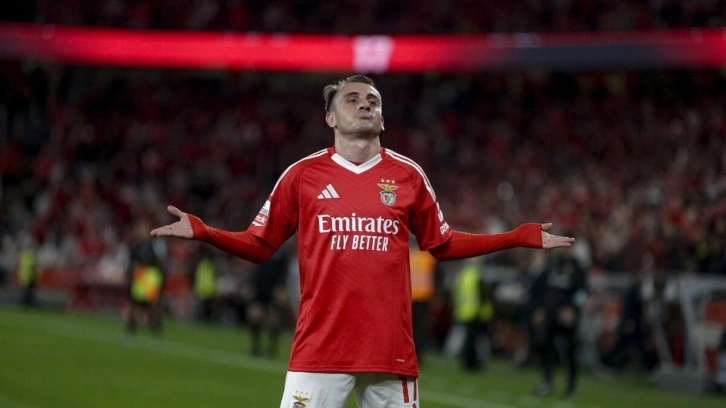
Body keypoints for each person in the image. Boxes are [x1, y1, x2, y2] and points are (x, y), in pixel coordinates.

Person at [150, 75, 575, 408]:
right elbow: (259, 245)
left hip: (390, 353)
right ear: (331, 119)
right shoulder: (302, 175)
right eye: (351, 99)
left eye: (373, 100)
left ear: (383, 120)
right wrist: (205, 232)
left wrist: (516, 237)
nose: (365, 104)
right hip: (319, 349)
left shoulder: (408, 175)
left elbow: (442, 244)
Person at [530, 246, 587, 399]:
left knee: (570, 350)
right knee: (545, 346)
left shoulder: (577, 268)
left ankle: (571, 385)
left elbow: (582, 292)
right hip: (550, 314)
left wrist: (574, 309)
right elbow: (541, 289)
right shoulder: (552, 265)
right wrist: (539, 308)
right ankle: (547, 381)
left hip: (566, 316)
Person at [125, 219, 166, 340]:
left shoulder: (155, 246)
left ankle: (156, 332)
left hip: (150, 278)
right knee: (135, 306)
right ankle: (130, 331)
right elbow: (130, 264)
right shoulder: (134, 247)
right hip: (139, 278)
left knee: (153, 306)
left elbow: (159, 264)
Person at [451, 258, 494, 372]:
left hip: (463, 310)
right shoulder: (477, 275)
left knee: (468, 339)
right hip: (475, 312)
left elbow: (456, 292)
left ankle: (467, 361)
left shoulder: (463, 275)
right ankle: (472, 362)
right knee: (473, 340)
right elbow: (482, 295)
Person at [408, 238, 440, 365]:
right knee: (418, 329)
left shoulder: (408, 255)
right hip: (420, 298)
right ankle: (416, 356)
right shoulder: (428, 257)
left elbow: (436, 277)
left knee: (415, 329)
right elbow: (437, 278)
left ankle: (414, 355)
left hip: (415, 298)